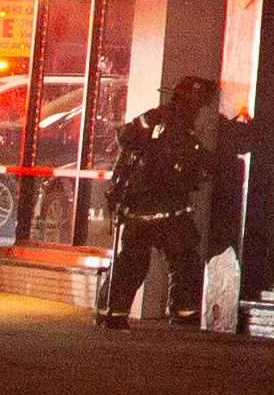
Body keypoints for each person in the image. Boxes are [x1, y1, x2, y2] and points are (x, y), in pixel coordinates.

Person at [101, 74, 240, 329]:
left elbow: (126, 138)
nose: (199, 111)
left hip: (140, 209)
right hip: (166, 209)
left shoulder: (157, 117)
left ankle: (112, 313)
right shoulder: (176, 124)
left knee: (132, 263)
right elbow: (186, 157)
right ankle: (182, 315)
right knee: (183, 261)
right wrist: (215, 163)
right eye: (199, 104)